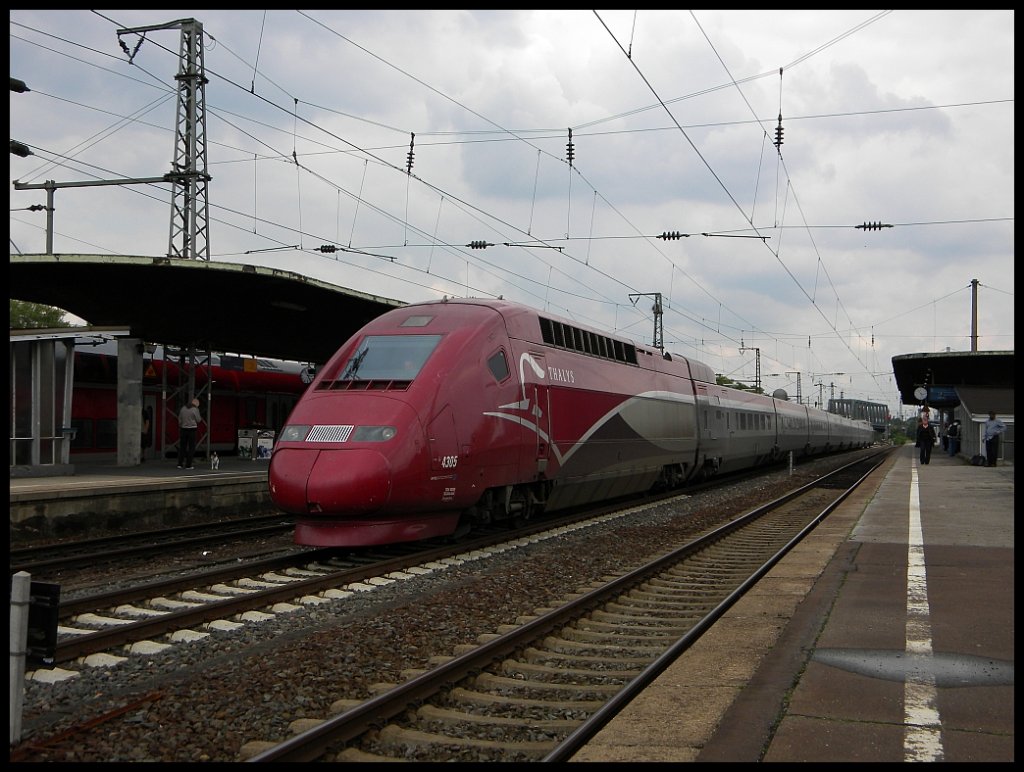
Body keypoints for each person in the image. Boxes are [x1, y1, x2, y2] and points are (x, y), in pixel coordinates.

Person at [177, 397, 203, 470]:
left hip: (183, 430)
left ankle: (180, 464)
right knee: (191, 448)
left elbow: (179, 420)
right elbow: (198, 420)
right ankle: (188, 465)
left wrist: (182, 424)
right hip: (192, 430)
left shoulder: (183, 408)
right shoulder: (195, 409)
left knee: (182, 447)